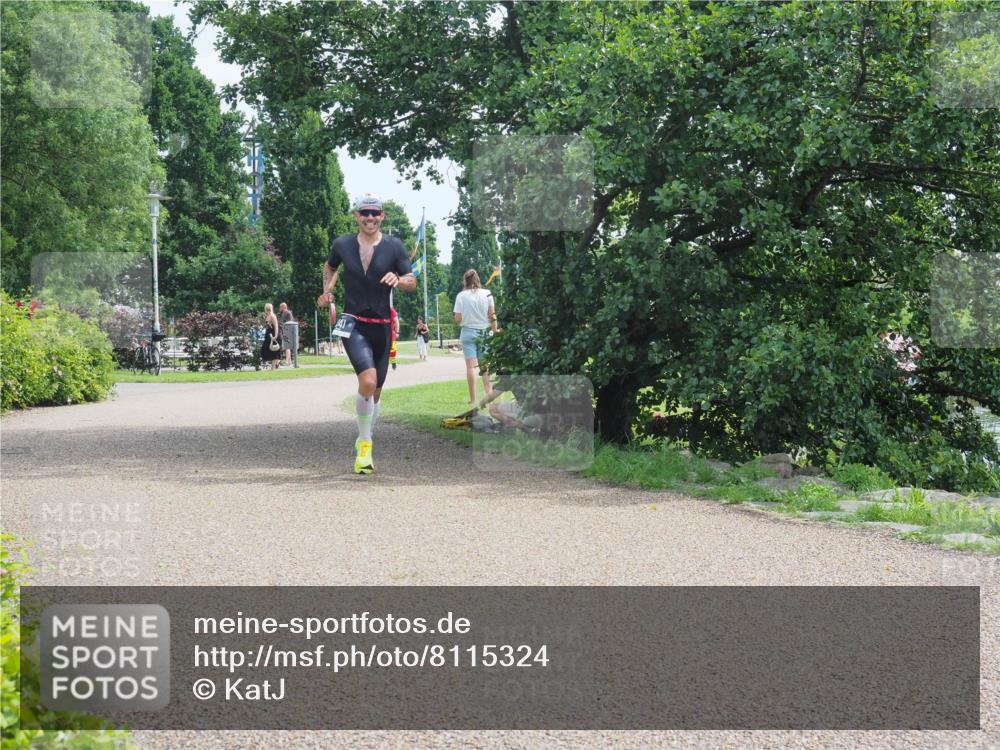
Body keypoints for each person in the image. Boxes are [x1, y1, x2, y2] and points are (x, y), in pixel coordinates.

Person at [317, 194, 416, 475]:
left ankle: (364, 435)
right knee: (368, 381)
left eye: (374, 213)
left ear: (382, 216)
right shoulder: (342, 245)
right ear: (356, 216)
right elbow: (330, 266)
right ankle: (365, 444)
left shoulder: (394, 247)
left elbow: (412, 281)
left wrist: (399, 280)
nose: (369, 218)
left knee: (376, 392)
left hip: (382, 325)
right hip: (353, 323)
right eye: (364, 213)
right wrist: (326, 292)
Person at [454, 269, 499, 405]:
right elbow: (492, 315)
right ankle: (489, 396)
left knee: (471, 368)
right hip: (485, 333)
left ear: (465, 281)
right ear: (478, 280)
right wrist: (495, 329)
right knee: (485, 367)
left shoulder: (461, 296)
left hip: (467, 332)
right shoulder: (487, 294)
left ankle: (473, 399)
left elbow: (457, 318)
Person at [261, 303, 281, 370]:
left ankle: (273, 367)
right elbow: (267, 325)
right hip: (268, 334)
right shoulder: (267, 316)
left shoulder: (273, 316)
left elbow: (276, 326)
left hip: (273, 334)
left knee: (274, 351)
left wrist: (275, 335)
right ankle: (276, 363)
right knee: (265, 349)